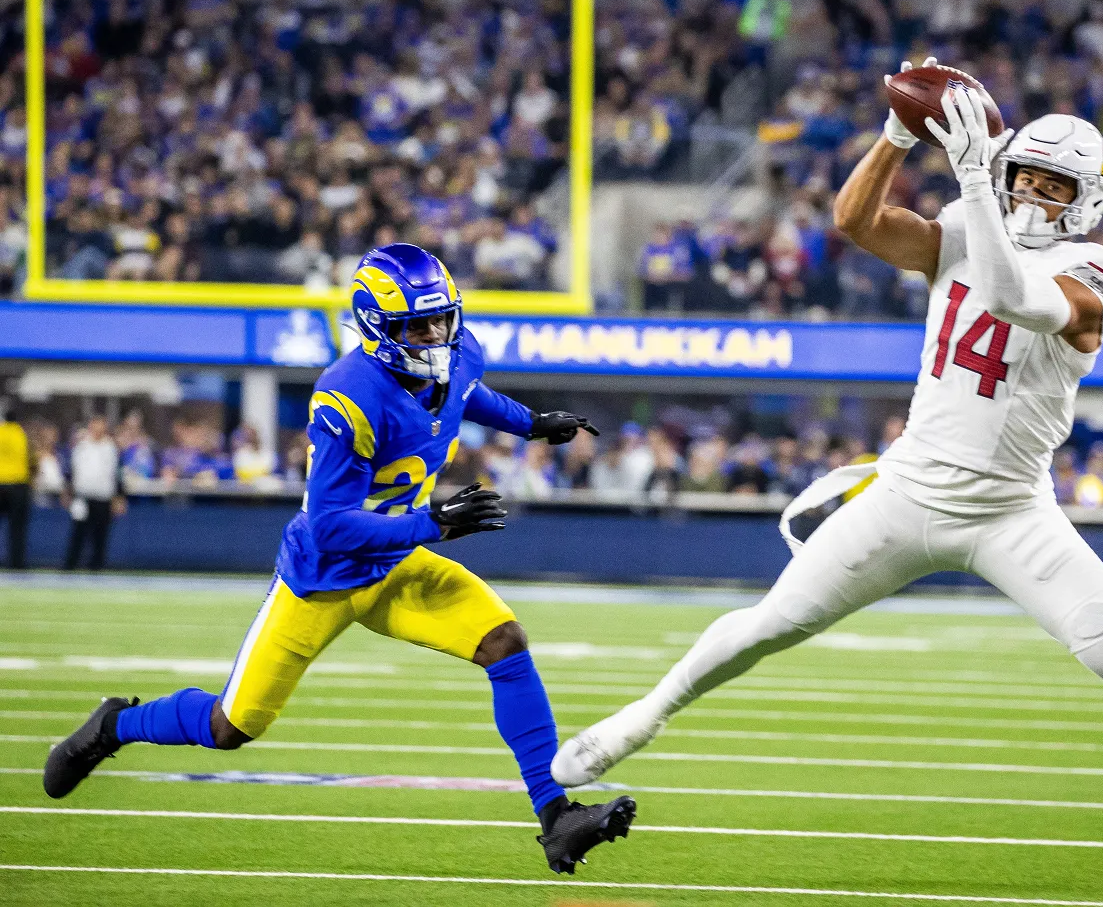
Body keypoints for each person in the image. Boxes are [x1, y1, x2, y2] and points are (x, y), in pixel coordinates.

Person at [551, 69, 1103, 902]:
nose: (1033, 196)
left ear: (1088, 199)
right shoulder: (968, 221)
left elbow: (1014, 297)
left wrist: (971, 181)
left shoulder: (1096, 267)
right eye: (1023, 178)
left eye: (1053, 185)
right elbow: (853, 222)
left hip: (1011, 511)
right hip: (908, 492)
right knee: (766, 627)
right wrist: (897, 135)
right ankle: (640, 719)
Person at [43, 245, 633, 876]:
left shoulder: (456, 354)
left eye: (441, 320)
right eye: (416, 326)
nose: (434, 336)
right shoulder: (349, 395)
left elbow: (466, 392)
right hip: (323, 578)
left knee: (504, 642)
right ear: (376, 325)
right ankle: (116, 727)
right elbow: (329, 526)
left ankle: (557, 817)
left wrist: (530, 423)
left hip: (396, 563)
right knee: (231, 725)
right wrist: (430, 523)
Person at [63, 416, 127, 572]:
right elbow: (72, 470)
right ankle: (70, 566)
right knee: (78, 533)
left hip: (103, 497)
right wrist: (67, 491)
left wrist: (119, 496)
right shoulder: (81, 446)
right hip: (83, 496)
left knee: (100, 535)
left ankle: (97, 567)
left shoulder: (111, 448)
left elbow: (117, 474)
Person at [0, 407, 29, 568]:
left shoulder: (0, 432)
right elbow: (30, 458)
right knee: (17, 528)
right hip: (17, 485)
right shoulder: (20, 433)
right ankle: (16, 563)